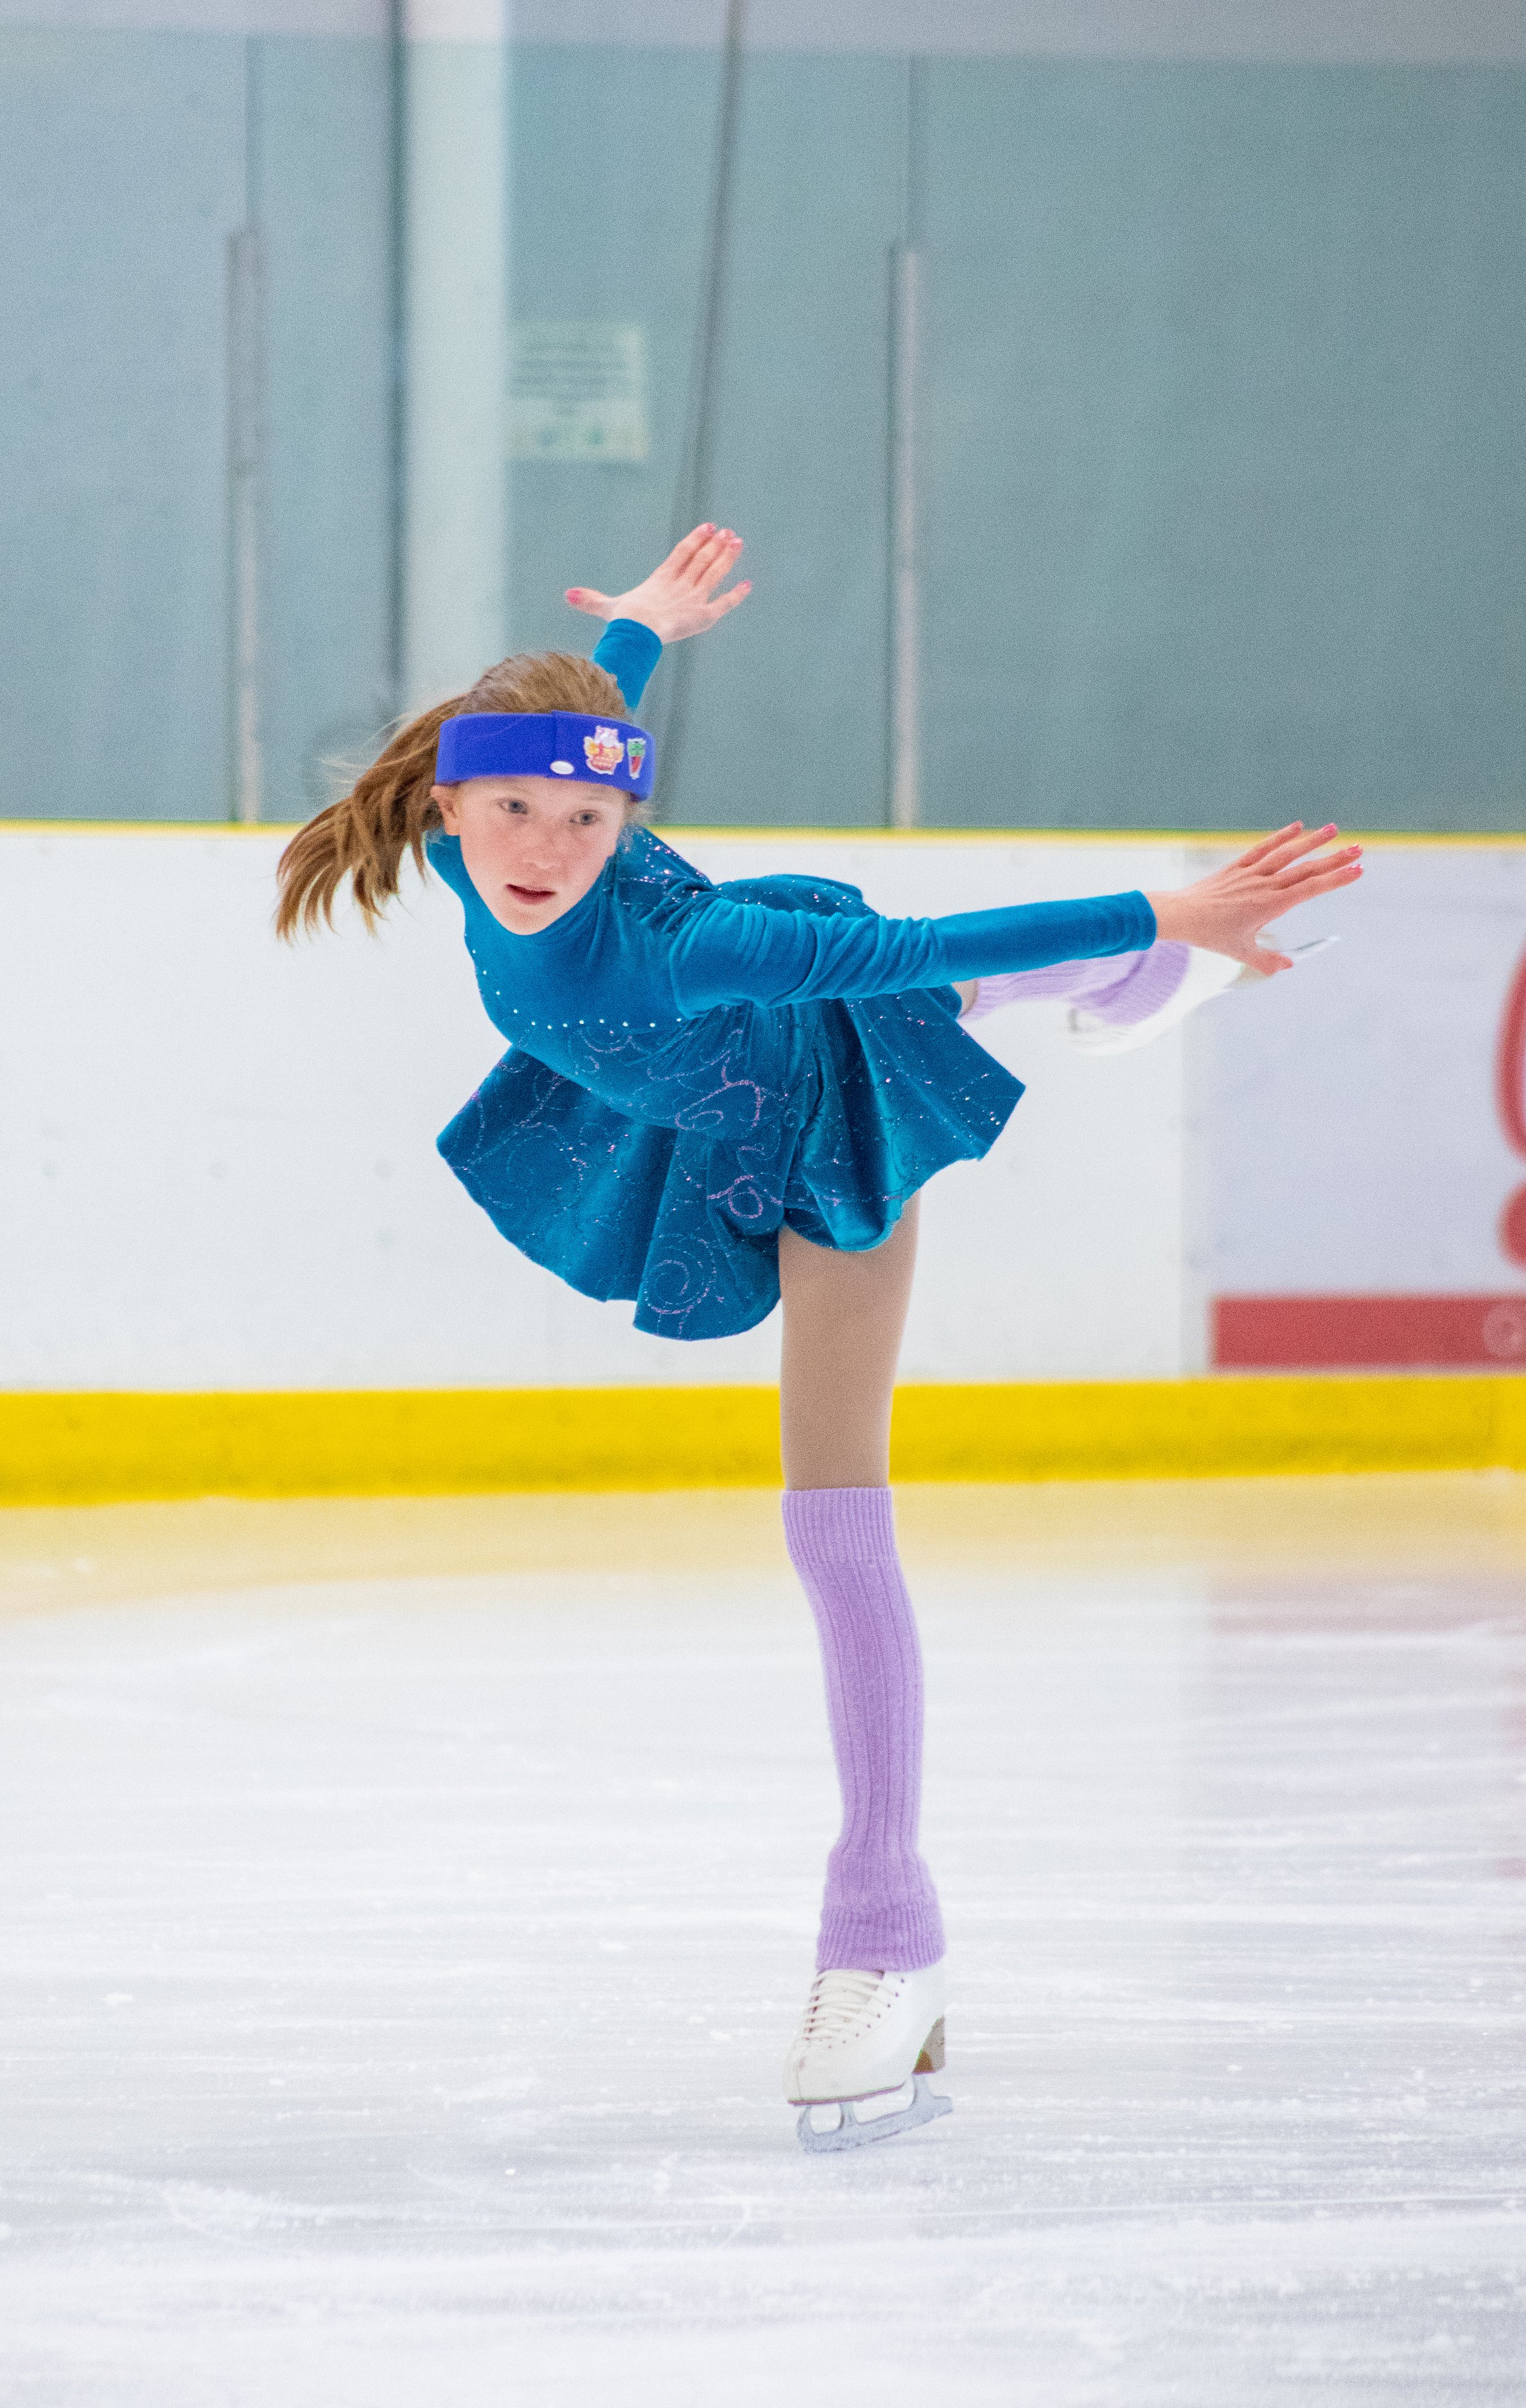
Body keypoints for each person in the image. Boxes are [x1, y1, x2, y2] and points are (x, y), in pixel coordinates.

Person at [276, 527, 1362, 2151]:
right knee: (938, 1000)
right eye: (512, 808)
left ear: (628, 812)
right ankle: (1142, 977)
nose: (546, 847)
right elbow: (583, 712)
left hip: (823, 1131)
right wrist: (638, 625)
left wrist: (1172, 899)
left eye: (587, 817)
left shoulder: (673, 936)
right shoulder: (467, 845)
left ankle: (882, 1938)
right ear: (445, 801)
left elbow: (914, 949)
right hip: (694, 1105)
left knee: (830, 1523)